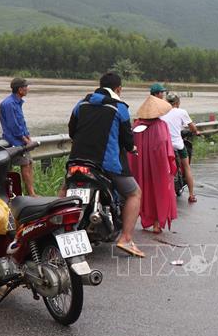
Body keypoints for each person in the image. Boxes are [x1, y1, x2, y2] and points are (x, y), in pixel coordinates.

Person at [68, 72, 145, 258]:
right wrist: (132, 147)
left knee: (65, 190)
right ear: (118, 89)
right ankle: (126, 238)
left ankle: (54, 231)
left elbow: (72, 131)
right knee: (134, 193)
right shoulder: (120, 108)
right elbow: (127, 139)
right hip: (106, 165)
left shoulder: (81, 104)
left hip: (77, 160)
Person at [128, 94, 177, 234]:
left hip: (140, 167)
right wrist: (169, 167)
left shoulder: (136, 126)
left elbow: (131, 147)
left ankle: (134, 221)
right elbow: (166, 148)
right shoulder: (161, 126)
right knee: (159, 193)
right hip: (158, 167)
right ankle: (156, 224)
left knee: (142, 191)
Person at [0, 78, 36, 196]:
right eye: (25, 86)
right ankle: (30, 194)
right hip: (15, 141)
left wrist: (28, 136)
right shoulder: (9, 103)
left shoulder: (18, 102)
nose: (27, 89)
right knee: (25, 165)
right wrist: (25, 140)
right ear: (20, 89)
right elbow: (13, 125)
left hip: (22, 140)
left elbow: (21, 122)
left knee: (29, 164)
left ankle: (30, 192)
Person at [161, 93, 201, 203]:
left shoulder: (161, 112)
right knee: (187, 167)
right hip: (178, 146)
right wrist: (196, 131)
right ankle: (192, 195)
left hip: (165, 146)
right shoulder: (182, 112)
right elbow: (192, 127)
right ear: (177, 103)